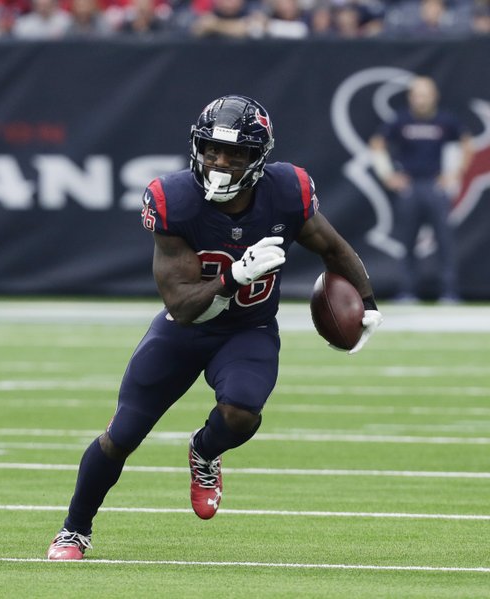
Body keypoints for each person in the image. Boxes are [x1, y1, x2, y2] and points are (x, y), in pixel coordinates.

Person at [46, 95, 384, 560]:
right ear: (196, 148)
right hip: (183, 333)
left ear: (258, 158)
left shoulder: (286, 191)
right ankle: (73, 530)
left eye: (236, 153)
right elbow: (183, 308)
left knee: (242, 412)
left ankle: (204, 451)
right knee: (121, 435)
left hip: (248, 330)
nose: (220, 161)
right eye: (211, 149)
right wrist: (233, 277)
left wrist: (366, 302)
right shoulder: (175, 200)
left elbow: (333, 246)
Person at [370, 76, 474, 302]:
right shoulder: (401, 120)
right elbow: (377, 143)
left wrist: (454, 174)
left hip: (434, 186)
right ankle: (407, 291)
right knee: (407, 242)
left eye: (425, 94)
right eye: (417, 95)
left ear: (434, 96)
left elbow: (467, 144)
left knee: (445, 241)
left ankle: (449, 292)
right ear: (410, 97)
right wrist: (388, 175)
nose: (421, 100)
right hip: (410, 187)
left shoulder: (445, 121)